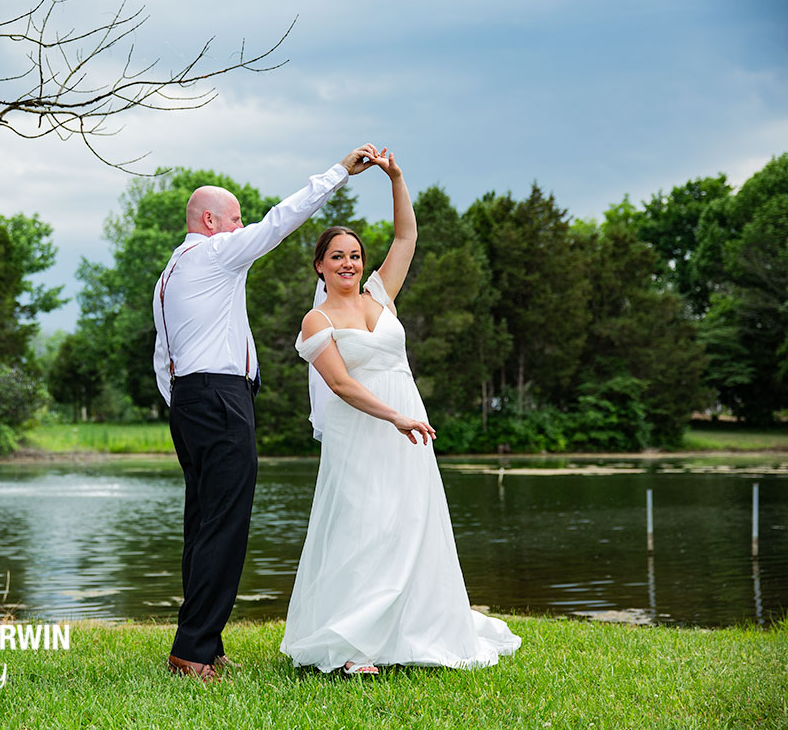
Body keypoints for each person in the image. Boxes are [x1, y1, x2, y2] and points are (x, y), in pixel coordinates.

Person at [280, 150, 521, 675]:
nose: (349, 263)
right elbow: (341, 384)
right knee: (364, 525)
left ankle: (410, 628)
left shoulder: (381, 297)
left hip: (409, 425)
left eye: (355, 256)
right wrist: (394, 417)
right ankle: (351, 646)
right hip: (365, 428)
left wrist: (396, 177)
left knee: (410, 521)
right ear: (320, 265)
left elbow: (407, 239)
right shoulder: (315, 321)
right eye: (337, 256)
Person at [154, 144, 382, 682]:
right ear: (210, 221)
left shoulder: (172, 270)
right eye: (234, 219)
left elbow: (161, 353)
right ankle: (192, 653)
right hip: (218, 398)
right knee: (226, 525)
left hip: (190, 399)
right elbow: (281, 221)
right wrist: (338, 175)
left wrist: (183, 401)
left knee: (203, 523)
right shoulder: (214, 253)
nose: (241, 227)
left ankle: (202, 644)